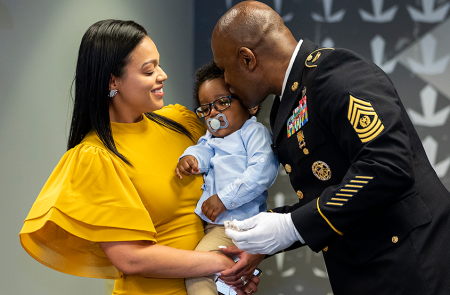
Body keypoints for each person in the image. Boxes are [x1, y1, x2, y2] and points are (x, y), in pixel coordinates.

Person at [211, 1, 450, 294]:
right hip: (368, 270)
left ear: (247, 59)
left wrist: (291, 227)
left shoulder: (335, 73)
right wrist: (271, 235)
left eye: (224, 69)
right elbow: (334, 192)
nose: (226, 82)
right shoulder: (287, 103)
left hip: (413, 266)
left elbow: (388, 166)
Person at [19, 19, 259, 295]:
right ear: (113, 81)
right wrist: (220, 262)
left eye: (158, 64)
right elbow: (131, 258)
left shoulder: (180, 122)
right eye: (149, 70)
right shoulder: (97, 156)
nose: (163, 74)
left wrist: (240, 264)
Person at [175, 61, 278, 295]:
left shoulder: (252, 132)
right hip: (213, 226)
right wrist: (189, 158)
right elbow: (201, 151)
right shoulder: (211, 139)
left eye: (222, 102)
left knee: (197, 271)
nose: (213, 112)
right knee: (226, 283)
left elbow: (262, 172)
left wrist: (223, 198)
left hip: (236, 225)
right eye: (205, 108)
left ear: (251, 105)